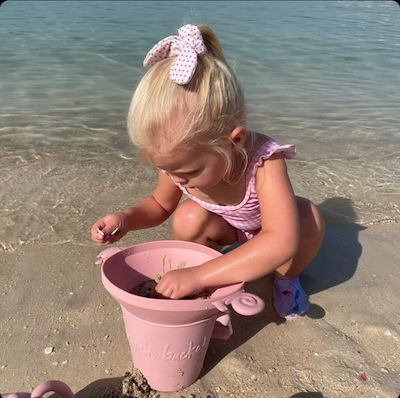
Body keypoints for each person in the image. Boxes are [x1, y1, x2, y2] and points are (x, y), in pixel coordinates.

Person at [90, 24, 325, 319]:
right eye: (166, 169)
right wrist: (125, 219)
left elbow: (281, 239)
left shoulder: (265, 161)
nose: (176, 179)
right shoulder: (178, 163)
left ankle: (286, 280)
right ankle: (217, 274)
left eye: (188, 171)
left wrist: (196, 276)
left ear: (234, 141)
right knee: (187, 217)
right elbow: (160, 205)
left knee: (309, 218)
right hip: (227, 227)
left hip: (273, 230)